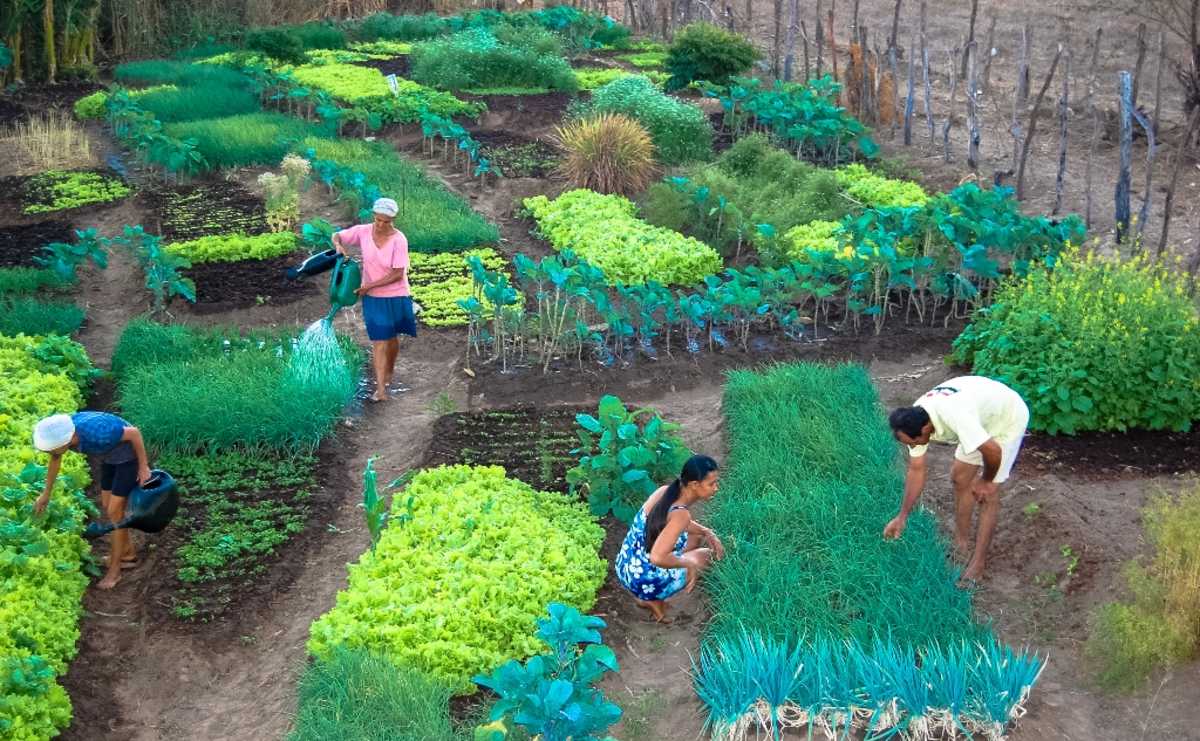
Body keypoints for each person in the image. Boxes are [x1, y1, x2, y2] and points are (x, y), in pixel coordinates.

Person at [882, 376, 1030, 584]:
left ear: (925, 430)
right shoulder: (912, 420)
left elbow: (992, 450)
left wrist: (987, 480)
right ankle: (961, 545)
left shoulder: (956, 416)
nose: (913, 446)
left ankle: (978, 564)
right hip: (979, 413)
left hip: (1005, 417)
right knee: (960, 478)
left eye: (914, 443)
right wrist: (902, 516)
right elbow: (916, 469)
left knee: (989, 494)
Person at [33, 412, 152, 590]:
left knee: (115, 513)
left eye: (51, 449)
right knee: (107, 505)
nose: (50, 452)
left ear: (68, 439)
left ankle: (115, 571)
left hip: (128, 459)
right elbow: (55, 459)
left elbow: (134, 433)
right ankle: (128, 554)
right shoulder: (65, 434)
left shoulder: (98, 432)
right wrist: (46, 494)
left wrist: (143, 467)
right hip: (109, 458)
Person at [614, 455, 724, 623]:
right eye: (712, 484)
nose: (716, 488)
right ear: (694, 485)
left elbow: (676, 523)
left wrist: (706, 531)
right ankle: (654, 600)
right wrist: (690, 564)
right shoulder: (680, 514)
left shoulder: (664, 492)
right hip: (644, 579)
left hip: (626, 567)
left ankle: (647, 596)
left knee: (695, 534)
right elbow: (657, 557)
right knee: (707, 556)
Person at [332, 197, 415, 403]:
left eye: (386, 221)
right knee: (379, 341)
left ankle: (390, 370)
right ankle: (380, 390)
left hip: (396, 294)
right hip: (373, 298)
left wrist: (368, 285)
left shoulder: (399, 240)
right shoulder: (363, 231)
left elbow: (397, 274)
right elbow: (337, 235)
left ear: (393, 220)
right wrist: (338, 246)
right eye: (377, 220)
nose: (380, 225)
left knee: (393, 338)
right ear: (373, 217)